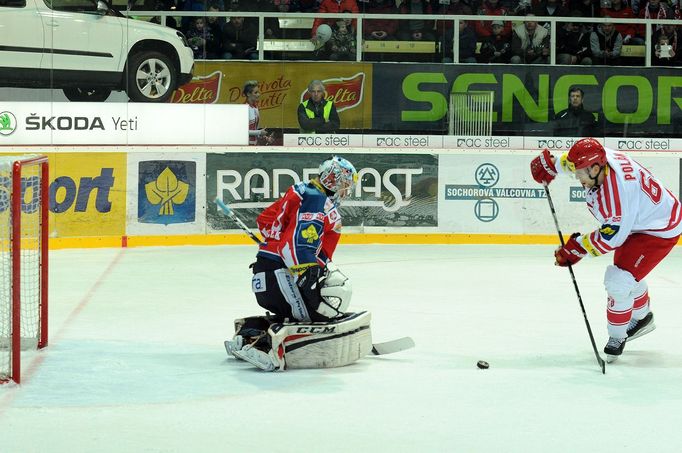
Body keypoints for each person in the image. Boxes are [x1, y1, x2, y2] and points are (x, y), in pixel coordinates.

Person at [530, 138, 682, 362]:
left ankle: (617, 337)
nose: (577, 178)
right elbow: (572, 162)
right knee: (629, 272)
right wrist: (552, 164)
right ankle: (641, 318)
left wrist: (576, 249)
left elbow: (611, 238)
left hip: (658, 230)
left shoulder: (618, 196)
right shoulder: (601, 160)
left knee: (619, 280)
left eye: (580, 174)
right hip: (641, 220)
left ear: (594, 168)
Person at [225, 156, 369, 371]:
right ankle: (267, 348)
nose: (346, 191)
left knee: (299, 314)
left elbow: (266, 221)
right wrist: (306, 268)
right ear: (333, 179)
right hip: (280, 275)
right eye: (345, 184)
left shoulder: (303, 191)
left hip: (268, 273)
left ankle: (249, 333)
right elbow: (300, 241)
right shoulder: (315, 198)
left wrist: (278, 245)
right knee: (320, 315)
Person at [243, 80, 274, 145]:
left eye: (258, 92)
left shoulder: (255, 108)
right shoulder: (244, 109)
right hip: (245, 146)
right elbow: (242, 131)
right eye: (256, 92)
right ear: (248, 94)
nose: (258, 95)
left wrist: (265, 137)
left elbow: (255, 130)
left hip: (254, 145)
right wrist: (259, 132)